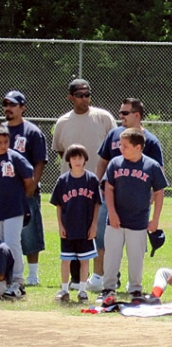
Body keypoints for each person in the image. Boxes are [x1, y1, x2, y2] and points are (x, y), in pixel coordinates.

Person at [51, 79, 116, 289]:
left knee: (100, 232)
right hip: (71, 186)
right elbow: (63, 152)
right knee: (74, 231)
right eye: (79, 95)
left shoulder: (103, 118)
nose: (84, 99)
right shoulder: (62, 122)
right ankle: (76, 280)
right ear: (70, 97)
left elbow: (114, 148)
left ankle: (105, 276)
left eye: (87, 94)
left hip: (99, 185)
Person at [93, 97, 164, 286]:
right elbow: (103, 161)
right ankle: (104, 279)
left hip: (137, 204)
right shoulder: (114, 134)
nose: (120, 116)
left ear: (137, 115)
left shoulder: (151, 141)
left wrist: (147, 201)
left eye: (125, 113)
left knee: (135, 248)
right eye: (120, 113)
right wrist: (96, 185)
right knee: (105, 239)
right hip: (110, 198)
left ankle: (134, 286)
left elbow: (158, 178)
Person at [100, 128, 167, 302]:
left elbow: (159, 192)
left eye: (125, 146)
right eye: (121, 145)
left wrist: (156, 219)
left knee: (136, 257)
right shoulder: (115, 163)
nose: (121, 149)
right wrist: (112, 212)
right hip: (115, 220)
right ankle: (108, 288)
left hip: (138, 220)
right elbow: (108, 188)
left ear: (138, 147)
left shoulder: (151, 166)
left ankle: (135, 290)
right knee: (112, 255)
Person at [4, 90, 48, 287]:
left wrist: (31, 186)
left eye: (13, 104)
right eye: (6, 104)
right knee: (5, 237)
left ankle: (32, 275)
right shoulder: (1, 130)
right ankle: (5, 272)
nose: (8, 108)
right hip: (4, 192)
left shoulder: (31, 131)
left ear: (22, 108)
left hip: (26, 190)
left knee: (29, 233)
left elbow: (39, 162)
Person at [50, 145, 100, 302]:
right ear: (68, 161)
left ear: (85, 159)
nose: (77, 161)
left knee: (85, 260)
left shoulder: (91, 180)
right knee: (66, 260)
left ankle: (83, 290)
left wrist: (94, 225)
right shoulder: (63, 181)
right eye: (73, 158)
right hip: (68, 227)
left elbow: (97, 204)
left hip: (85, 228)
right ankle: (64, 290)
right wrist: (60, 225)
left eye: (80, 158)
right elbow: (58, 205)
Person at [0, 123, 35, 298]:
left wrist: (22, 197)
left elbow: (29, 179)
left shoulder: (14, 158)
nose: (3, 146)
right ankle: (3, 279)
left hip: (14, 208)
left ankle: (17, 281)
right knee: (1, 246)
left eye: (5, 141)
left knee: (12, 242)